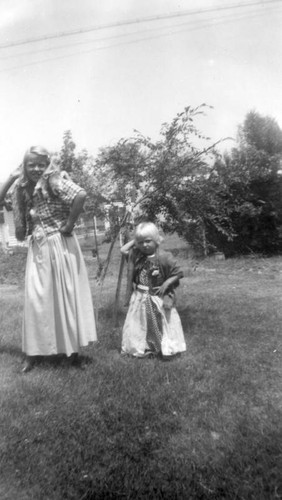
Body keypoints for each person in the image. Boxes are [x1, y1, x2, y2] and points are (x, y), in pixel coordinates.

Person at [0, 146, 97, 372]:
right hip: (39, 246)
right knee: (36, 300)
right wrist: (12, 177)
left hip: (60, 243)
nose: (36, 168)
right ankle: (33, 354)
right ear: (24, 166)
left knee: (66, 296)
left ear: (48, 165)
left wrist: (70, 223)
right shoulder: (22, 187)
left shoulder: (55, 180)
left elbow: (80, 194)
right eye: (30, 164)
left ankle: (72, 353)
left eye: (40, 164)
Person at [121, 221, 186, 358]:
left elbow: (178, 273)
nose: (145, 245)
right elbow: (123, 250)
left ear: (156, 240)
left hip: (157, 296)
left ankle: (164, 347)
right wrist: (136, 240)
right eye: (141, 242)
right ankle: (143, 347)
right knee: (140, 323)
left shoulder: (164, 256)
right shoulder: (137, 256)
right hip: (140, 297)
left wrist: (166, 283)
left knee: (160, 321)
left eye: (148, 241)